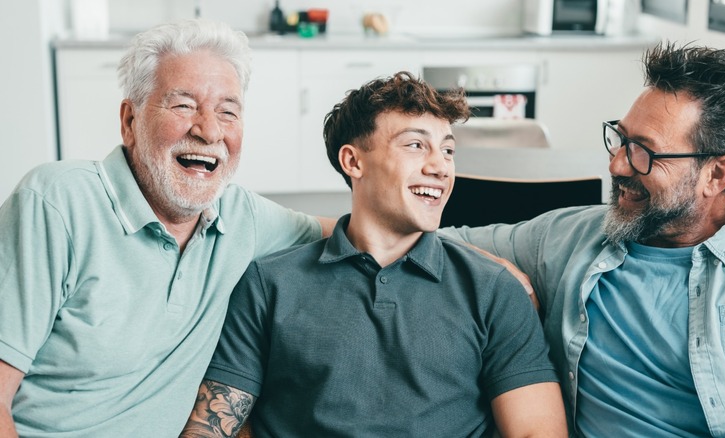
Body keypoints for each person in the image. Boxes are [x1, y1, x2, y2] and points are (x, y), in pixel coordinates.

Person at [179, 72, 568, 437]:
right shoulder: (268, 283)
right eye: (416, 145)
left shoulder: (493, 289)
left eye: (447, 150)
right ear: (353, 161)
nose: (440, 167)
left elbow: (537, 430)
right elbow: (212, 424)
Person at [0, 19, 336, 437]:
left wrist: (432, 199)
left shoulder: (241, 217)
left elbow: (353, 230)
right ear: (129, 121)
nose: (209, 130)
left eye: (227, 112)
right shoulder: (57, 203)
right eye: (183, 105)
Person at [441, 41, 725, 436]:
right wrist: (490, 268)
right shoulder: (570, 238)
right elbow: (433, 239)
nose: (616, 164)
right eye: (620, 139)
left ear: (717, 175)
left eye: (644, 153)